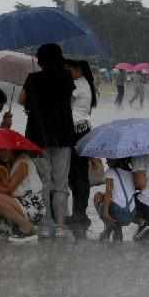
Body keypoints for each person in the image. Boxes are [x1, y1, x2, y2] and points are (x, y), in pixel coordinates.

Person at [19, 43, 75, 238]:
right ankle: (60, 225)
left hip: (39, 135)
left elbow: (21, 100)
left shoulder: (33, 79)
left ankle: (45, 223)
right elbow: (69, 99)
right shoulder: (67, 77)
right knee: (61, 182)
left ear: (40, 59)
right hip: (63, 135)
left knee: (43, 181)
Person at [0, 149, 45, 243]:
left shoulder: (23, 161)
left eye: (2, 150)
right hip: (24, 202)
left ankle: (27, 228)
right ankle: (21, 226)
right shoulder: (12, 162)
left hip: (32, 205)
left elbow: (8, 189)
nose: (0, 154)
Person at [65, 59, 97, 227]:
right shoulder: (86, 84)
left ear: (78, 70)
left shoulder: (78, 84)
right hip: (83, 130)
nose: (66, 72)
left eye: (68, 69)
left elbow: (63, 99)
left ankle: (79, 214)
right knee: (79, 175)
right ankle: (80, 213)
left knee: (77, 175)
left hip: (76, 131)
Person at [94, 158, 137, 242]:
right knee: (116, 201)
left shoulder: (110, 171)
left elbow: (108, 193)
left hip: (118, 212)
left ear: (115, 160)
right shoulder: (131, 173)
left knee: (98, 196)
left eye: (108, 159)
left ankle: (110, 227)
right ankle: (117, 231)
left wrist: (105, 214)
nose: (106, 162)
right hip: (131, 214)